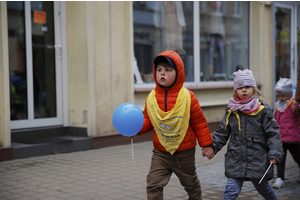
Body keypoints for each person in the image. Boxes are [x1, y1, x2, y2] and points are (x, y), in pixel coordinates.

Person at [136, 50, 213, 200]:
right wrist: (136, 127)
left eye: (168, 70)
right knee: (153, 184)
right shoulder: (151, 98)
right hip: (161, 152)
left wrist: (207, 144)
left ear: (178, 73)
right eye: (159, 70)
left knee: (190, 184)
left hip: (184, 152)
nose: (162, 73)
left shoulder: (188, 97)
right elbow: (148, 121)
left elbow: (199, 123)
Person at [203, 69, 284, 200]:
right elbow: (222, 133)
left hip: (257, 160)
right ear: (236, 91)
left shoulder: (262, 111)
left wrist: (275, 154)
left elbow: (273, 134)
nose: (244, 90)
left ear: (253, 88)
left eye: (247, 87)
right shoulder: (231, 111)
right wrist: (212, 147)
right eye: (240, 88)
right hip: (236, 159)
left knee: (263, 188)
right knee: (230, 191)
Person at [272, 78, 300, 189]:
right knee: (280, 159)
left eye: (283, 96)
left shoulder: (293, 105)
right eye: (279, 96)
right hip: (281, 138)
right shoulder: (278, 105)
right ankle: (280, 178)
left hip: (294, 139)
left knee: (298, 158)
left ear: (289, 94)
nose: (281, 98)